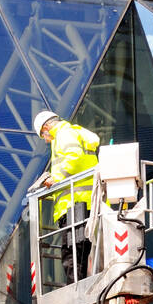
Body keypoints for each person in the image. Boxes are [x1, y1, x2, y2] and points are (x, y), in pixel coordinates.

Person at [30, 110, 101, 283]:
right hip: (80, 202)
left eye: (43, 135)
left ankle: (75, 289)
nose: (46, 140)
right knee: (78, 250)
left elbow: (74, 157)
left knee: (72, 252)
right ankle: (78, 286)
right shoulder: (69, 132)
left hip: (76, 204)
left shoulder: (63, 133)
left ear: (47, 127)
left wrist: (56, 178)